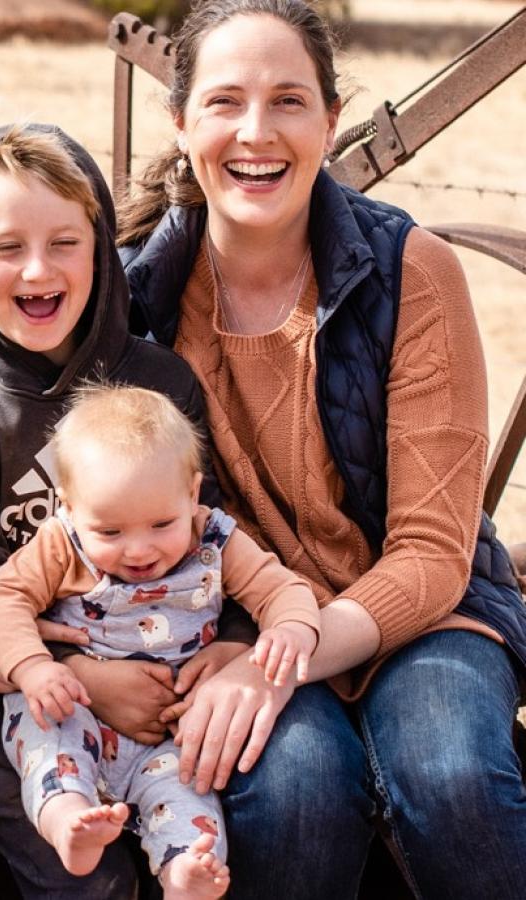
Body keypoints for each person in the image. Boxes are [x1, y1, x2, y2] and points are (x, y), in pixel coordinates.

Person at [114, 1, 526, 897]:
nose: (255, 132)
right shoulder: (133, 295)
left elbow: (430, 555)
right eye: (224, 102)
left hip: (424, 616)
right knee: (296, 787)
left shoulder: (412, 272)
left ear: (331, 121)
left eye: (288, 101)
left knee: (449, 770)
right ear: (181, 124)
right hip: (238, 628)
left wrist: (282, 660)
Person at [0, 122, 260, 897]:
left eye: (64, 242)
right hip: (2, 680)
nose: (37, 269)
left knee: (206, 844)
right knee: (90, 879)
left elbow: (211, 533)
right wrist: (87, 678)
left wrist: (230, 646)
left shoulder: (159, 385)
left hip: (162, 658)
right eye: (5, 246)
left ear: (99, 247)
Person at [0, 385, 319, 898]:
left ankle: (184, 872)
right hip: (78, 707)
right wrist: (31, 667)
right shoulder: (60, 543)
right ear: (70, 508)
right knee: (47, 738)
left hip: (165, 736)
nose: (139, 550)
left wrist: (291, 626)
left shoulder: (215, 537)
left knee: (188, 789)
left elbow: (282, 587)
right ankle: (68, 822)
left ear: (192, 493)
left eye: (162, 524)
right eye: (110, 532)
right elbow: (2, 598)